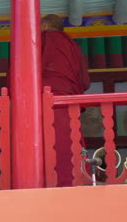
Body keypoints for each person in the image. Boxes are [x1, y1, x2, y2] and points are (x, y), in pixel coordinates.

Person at [41, 14, 90, 186]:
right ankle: (78, 178)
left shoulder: (44, 38)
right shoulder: (73, 45)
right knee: (71, 140)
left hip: (48, 98)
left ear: (45, 26)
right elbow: (84, 80)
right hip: (70, 98)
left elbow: (33, 68)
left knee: (52, 142)